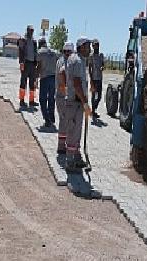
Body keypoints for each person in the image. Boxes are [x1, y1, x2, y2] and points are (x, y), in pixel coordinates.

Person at [63, 37, 93, 171]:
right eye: (88, 46)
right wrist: (85, 102)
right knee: (73, 132)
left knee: (76, 132)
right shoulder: (77, 61)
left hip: (77, 102)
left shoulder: (79, 60)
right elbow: (76, 84)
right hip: (75, 102)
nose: (90, 49)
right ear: (81, 47)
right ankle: (69, 162)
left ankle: (76, 157)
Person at [56, 42, 74, 154]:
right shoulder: (66, 63)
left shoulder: (59, 60)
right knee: (66, 122)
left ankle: (62, 144)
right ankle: (63, 146)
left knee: (63, 121)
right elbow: (63, 78)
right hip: (64, 96)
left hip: (59, 95)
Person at [36, 38, 58, 129]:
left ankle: (47, 120)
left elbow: (39, 66)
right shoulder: (54, 52)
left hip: (44, 78)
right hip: (53, 78)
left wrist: (36, 79)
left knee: (42, 99)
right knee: (51, 99)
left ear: (39, 44)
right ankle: (52, 118)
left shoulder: (40, 52)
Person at [18, 25, 38, 108]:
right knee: (23, 82)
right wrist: (21, 62)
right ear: (27, 31)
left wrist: (36, 63)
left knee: (32, 83)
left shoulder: (34, 41)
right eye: (30, 30)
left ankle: (31, 101)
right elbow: (20, 51)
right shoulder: (23, 40)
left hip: (32, 64)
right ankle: (22, 100)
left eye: (32, 31)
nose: (31, 32)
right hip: (25, 63)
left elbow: (35, 53)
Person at [88, 39, 105, 120]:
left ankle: (94, 109)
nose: (95, 46)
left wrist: (102, 67)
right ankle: (93, 111)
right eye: (94, 45)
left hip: (99, 78)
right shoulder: (91, 56)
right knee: (93, 95)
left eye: (97, 45)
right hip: (94, 79)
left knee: (99, 97)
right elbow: (89, 68)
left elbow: (103, 64)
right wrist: (91, 79)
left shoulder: (101, 55)